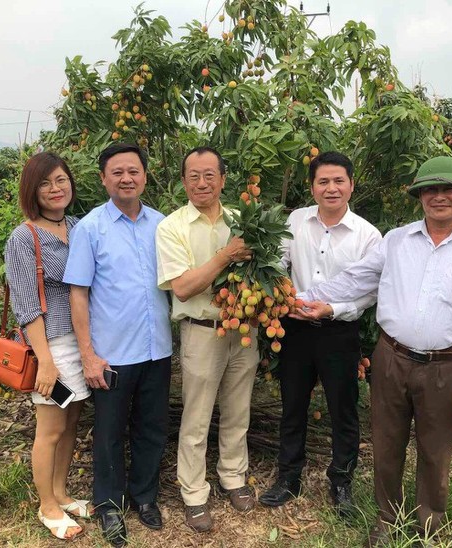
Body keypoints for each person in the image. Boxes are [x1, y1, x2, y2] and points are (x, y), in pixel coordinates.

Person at [295, 156, 452, 545]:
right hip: (391, 358)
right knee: (386, 442)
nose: (439, 197)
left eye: (449, 190)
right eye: (431, 190)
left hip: (445, 364)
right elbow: (354, 280)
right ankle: (387, 518)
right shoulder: (395, 241)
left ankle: (430, 522)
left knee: (435, 448)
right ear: (420, 196)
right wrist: (299, 299)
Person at [259, 152, 382, 518]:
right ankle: (289, 477)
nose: (331, 188)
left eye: (338, 181)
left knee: (343, 409)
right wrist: (284, 295)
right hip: (295, 330)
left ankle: (341, 480)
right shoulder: (295, 221)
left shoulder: (367, 235)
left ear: (351, 185)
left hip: (338, 333)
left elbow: (371, 290)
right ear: (312, 187)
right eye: (323, 182)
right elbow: (276, 263)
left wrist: (332, 309)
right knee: (292, 405)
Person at [63, 144, 172, 547]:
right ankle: (109, 505)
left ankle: (145, 497)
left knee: (152, 427)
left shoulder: (162, 224)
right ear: (103, 178)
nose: (126, 178)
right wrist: (88, 355)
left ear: (145, 175)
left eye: (133, 171)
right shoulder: (91, 227)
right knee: (108, 431)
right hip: (111, 355)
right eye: (117, 172)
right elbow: (78, 293)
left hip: (156, 349)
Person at [155, 146, 257, 532]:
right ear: (183, 181)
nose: (202, 183)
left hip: (243, 329)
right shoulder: (172, 227)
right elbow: (183, 288)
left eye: (210, 175)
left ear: (223, 179)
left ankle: (233, 476)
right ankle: (194, 493)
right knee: (196, 418)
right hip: (200, 332)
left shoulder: (241, 219)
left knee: (238, 410)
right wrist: (226, 256)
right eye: (194, 176)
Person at [4, 152, 92, 541]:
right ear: (32, 191)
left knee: (72, 421)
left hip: (81, 343)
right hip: (52, 345)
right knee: (51, 426)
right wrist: (45, 361)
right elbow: (26, 305)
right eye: (45, 183)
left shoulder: (77, 227)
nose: (55, 189)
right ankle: (47, 505)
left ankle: (61, 492)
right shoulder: (25, 237)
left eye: (61, 180)